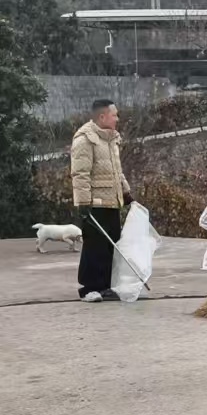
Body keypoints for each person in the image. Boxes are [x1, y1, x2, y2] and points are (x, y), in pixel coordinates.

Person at [70, 99, 132, 303]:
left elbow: (117, 171)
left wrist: (125, 192)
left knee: (111, 243)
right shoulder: (85, 139)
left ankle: (106, 286)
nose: (117, 118)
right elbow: (80, 174)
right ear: (102, 117)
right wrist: (83, 203)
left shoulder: (111, 139)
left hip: (112, 201)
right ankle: (89, 288)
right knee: (94, 246)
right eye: (114, 115)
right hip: (94, 203)